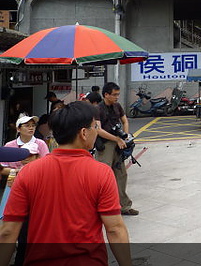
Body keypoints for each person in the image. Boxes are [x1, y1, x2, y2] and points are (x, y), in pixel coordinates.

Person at [0, 101, 131, 266]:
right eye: (95, 127)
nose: (97, 132)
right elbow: (115, 229)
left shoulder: (27, 173)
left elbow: (8, 232)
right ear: (84, 133)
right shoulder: (101, 173)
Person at [1, 114, 50, 266]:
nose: (31, 128)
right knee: (8, 222)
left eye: (33, 125)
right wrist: (17, 172)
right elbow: (2, 169)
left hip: (35, 190)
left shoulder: (40, 144)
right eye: (26, 125)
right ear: (18, 129)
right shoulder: (9, 146)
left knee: (28, 227)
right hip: (12, 187)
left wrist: (29, 172)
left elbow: (46, 166)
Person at [95, 82, 138, 216]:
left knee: (121, 175)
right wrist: (116, 139)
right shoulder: (98, 109)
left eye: (118, 94)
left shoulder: (117, 106)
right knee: (104, 176)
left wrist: (125, 137)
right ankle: (102, 206)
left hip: (118, 144)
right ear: (106, 95)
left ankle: (124, 206)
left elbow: (125, 121)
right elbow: (98, 129)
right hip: (106, 144)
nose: (117, 97)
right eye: (114, 95)